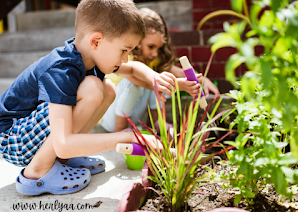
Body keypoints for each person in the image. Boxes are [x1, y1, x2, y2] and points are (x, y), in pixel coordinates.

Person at [0, 0, 176, 196]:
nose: (126, 59)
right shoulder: (62, 69)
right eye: (124, 50)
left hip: (30, 134)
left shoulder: (89, 55)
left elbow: (134, 68)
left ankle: (60, 160)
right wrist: (128, 136)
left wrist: (156, 78)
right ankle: (37, 171)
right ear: (96, 41)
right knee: (93, 87)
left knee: (107, 88)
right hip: (12, 139)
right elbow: (64, 143)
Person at [100, 8, 220, 133]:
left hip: (133, 118)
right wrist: (182, 85)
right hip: (111, 118)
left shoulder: (151, 61)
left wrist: (202, 79)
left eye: (158, 48)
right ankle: (120, 131)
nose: (155, 53)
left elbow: (178, 72)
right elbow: (147, 82)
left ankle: (156, 123)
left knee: (158, 75)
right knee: (146, 82)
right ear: (136, 41)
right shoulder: (123, 58)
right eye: (151, 47)